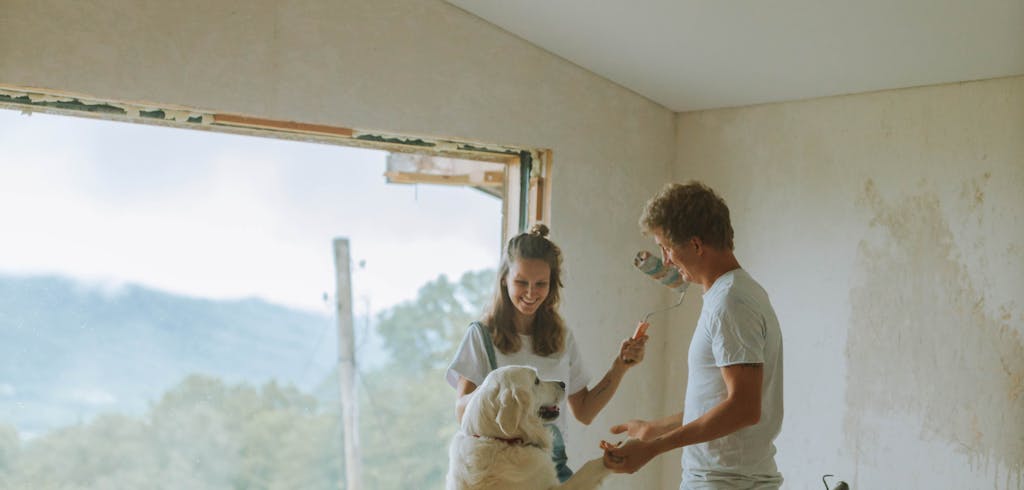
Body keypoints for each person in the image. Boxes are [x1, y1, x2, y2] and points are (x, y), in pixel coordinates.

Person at [603, 181, 784, 489]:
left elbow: (743, 408)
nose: (666, 259)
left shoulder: (731, 302)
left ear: (697, 245)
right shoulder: (733, 294)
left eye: (667, 248)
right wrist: (656, 429)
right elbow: (720, 401)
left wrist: (652, 449)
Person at [447, 223, 648, 482]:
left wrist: (621, 366)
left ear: (552, 285)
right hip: (498, 471)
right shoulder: (481, 335)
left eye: (541, 283)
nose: (531, 293)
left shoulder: (561, 336)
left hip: (552, 465)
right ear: (504, 280)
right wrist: (496, 389)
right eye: (521, 282)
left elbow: (584, 411)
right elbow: (463, 413)